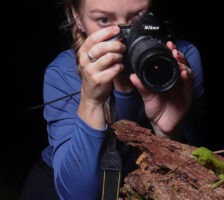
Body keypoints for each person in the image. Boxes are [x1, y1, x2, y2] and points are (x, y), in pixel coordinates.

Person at [20, 0, 207, 199]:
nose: (123, 34)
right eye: (103, 19)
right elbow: (78, 195)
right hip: (66, 179)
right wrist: (91, 101)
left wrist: (169, 134)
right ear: (77, 17)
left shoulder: (181, 60)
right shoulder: (62, 73)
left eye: (138, 18)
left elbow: (197, 179)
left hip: (147, 181)